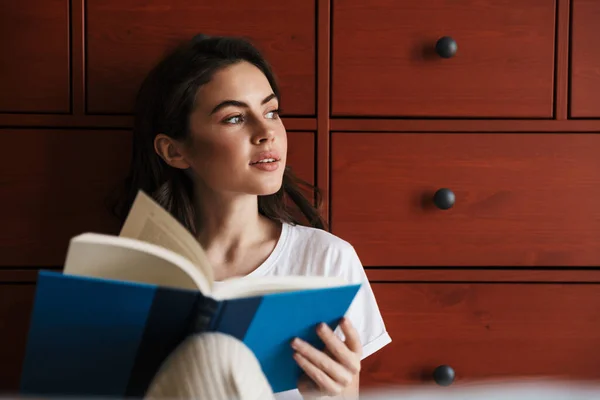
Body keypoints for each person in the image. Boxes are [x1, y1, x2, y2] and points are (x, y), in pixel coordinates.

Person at [112, 34, 392, 399]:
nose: (266, 132)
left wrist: (340, 393)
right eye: (234, 118)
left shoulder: (326, 260)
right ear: (174, 151)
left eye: (271, 111)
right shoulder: (132, 272)